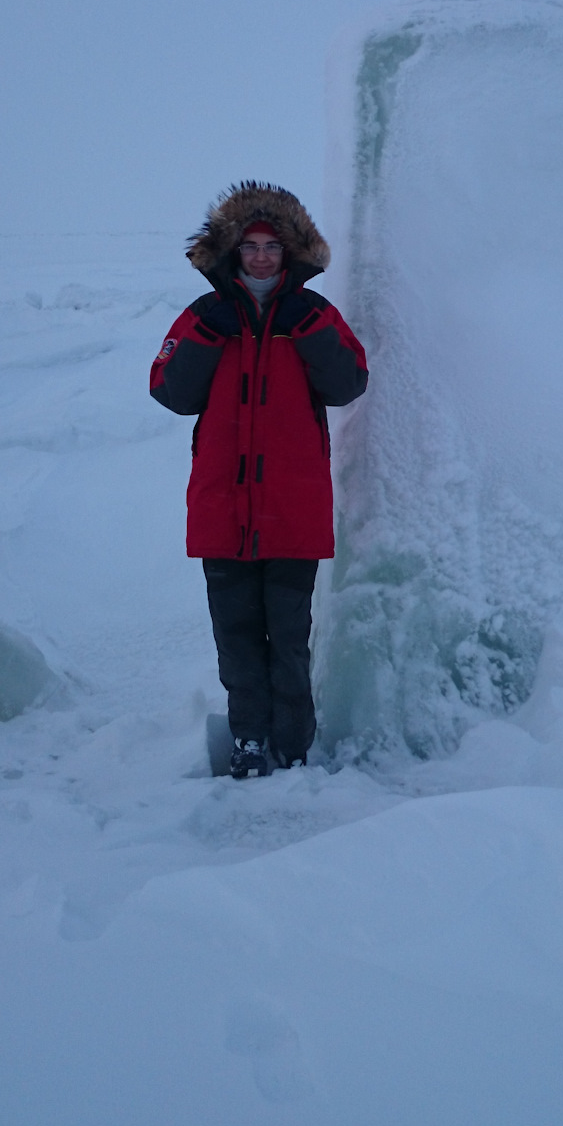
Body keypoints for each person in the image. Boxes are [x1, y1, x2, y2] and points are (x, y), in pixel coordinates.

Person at [150, 181, 368, 779]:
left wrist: (308, 328)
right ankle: (247, 739)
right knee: (239, 642)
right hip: (223, 509)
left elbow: (349, 383)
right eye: (252, 245)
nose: (263, 256)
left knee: (290, 643)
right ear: (233, 251)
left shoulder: (315, 315)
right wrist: (209, 332)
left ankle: (294, 746)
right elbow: (170, 390)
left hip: (292, 511)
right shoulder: (203, 317)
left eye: (274, 245)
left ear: (291, 252)